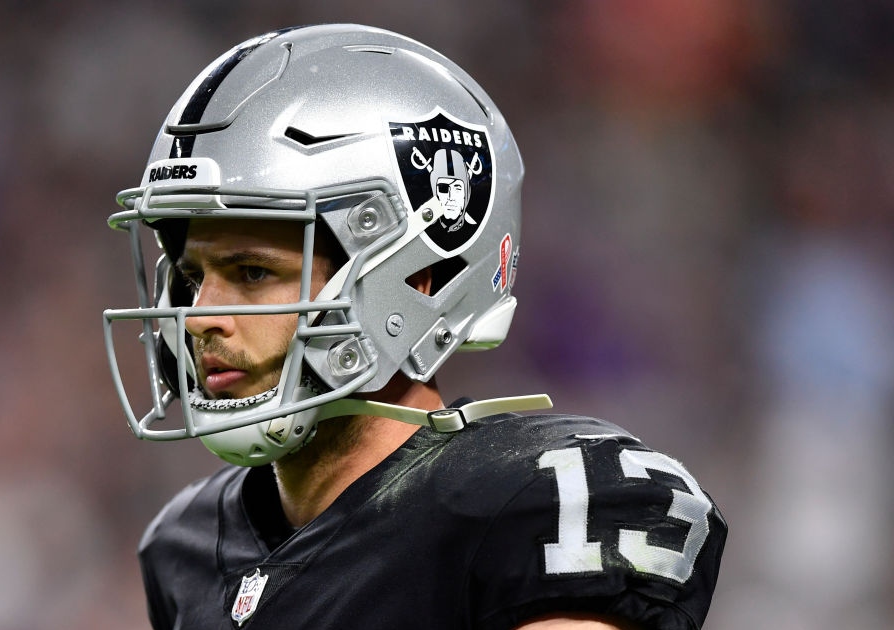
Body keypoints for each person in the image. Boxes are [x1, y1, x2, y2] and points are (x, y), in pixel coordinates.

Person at [102, 24, 727, 630]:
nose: (201, 315)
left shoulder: (533, 503)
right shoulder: (184, 544)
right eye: (191, 277)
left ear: (419, 276)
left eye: (253, 272)